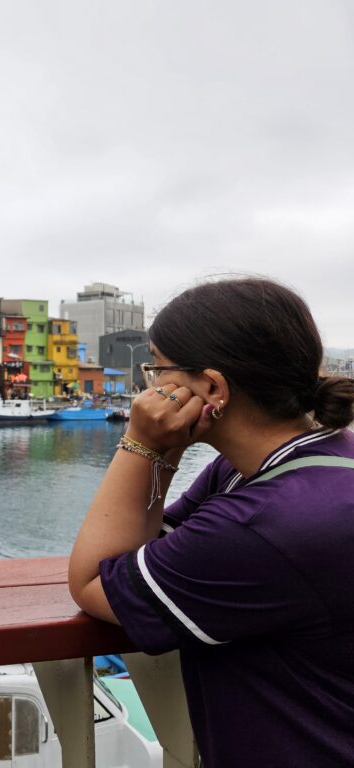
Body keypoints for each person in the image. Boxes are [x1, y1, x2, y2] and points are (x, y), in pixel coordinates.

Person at [69, 277, 354, 766]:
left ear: (213, 388)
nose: (150, 386)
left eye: (157, 369)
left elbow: (97, 580)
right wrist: (166, 454)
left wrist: (142, 443)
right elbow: (147, 553)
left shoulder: (261, 522)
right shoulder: (292, 464)